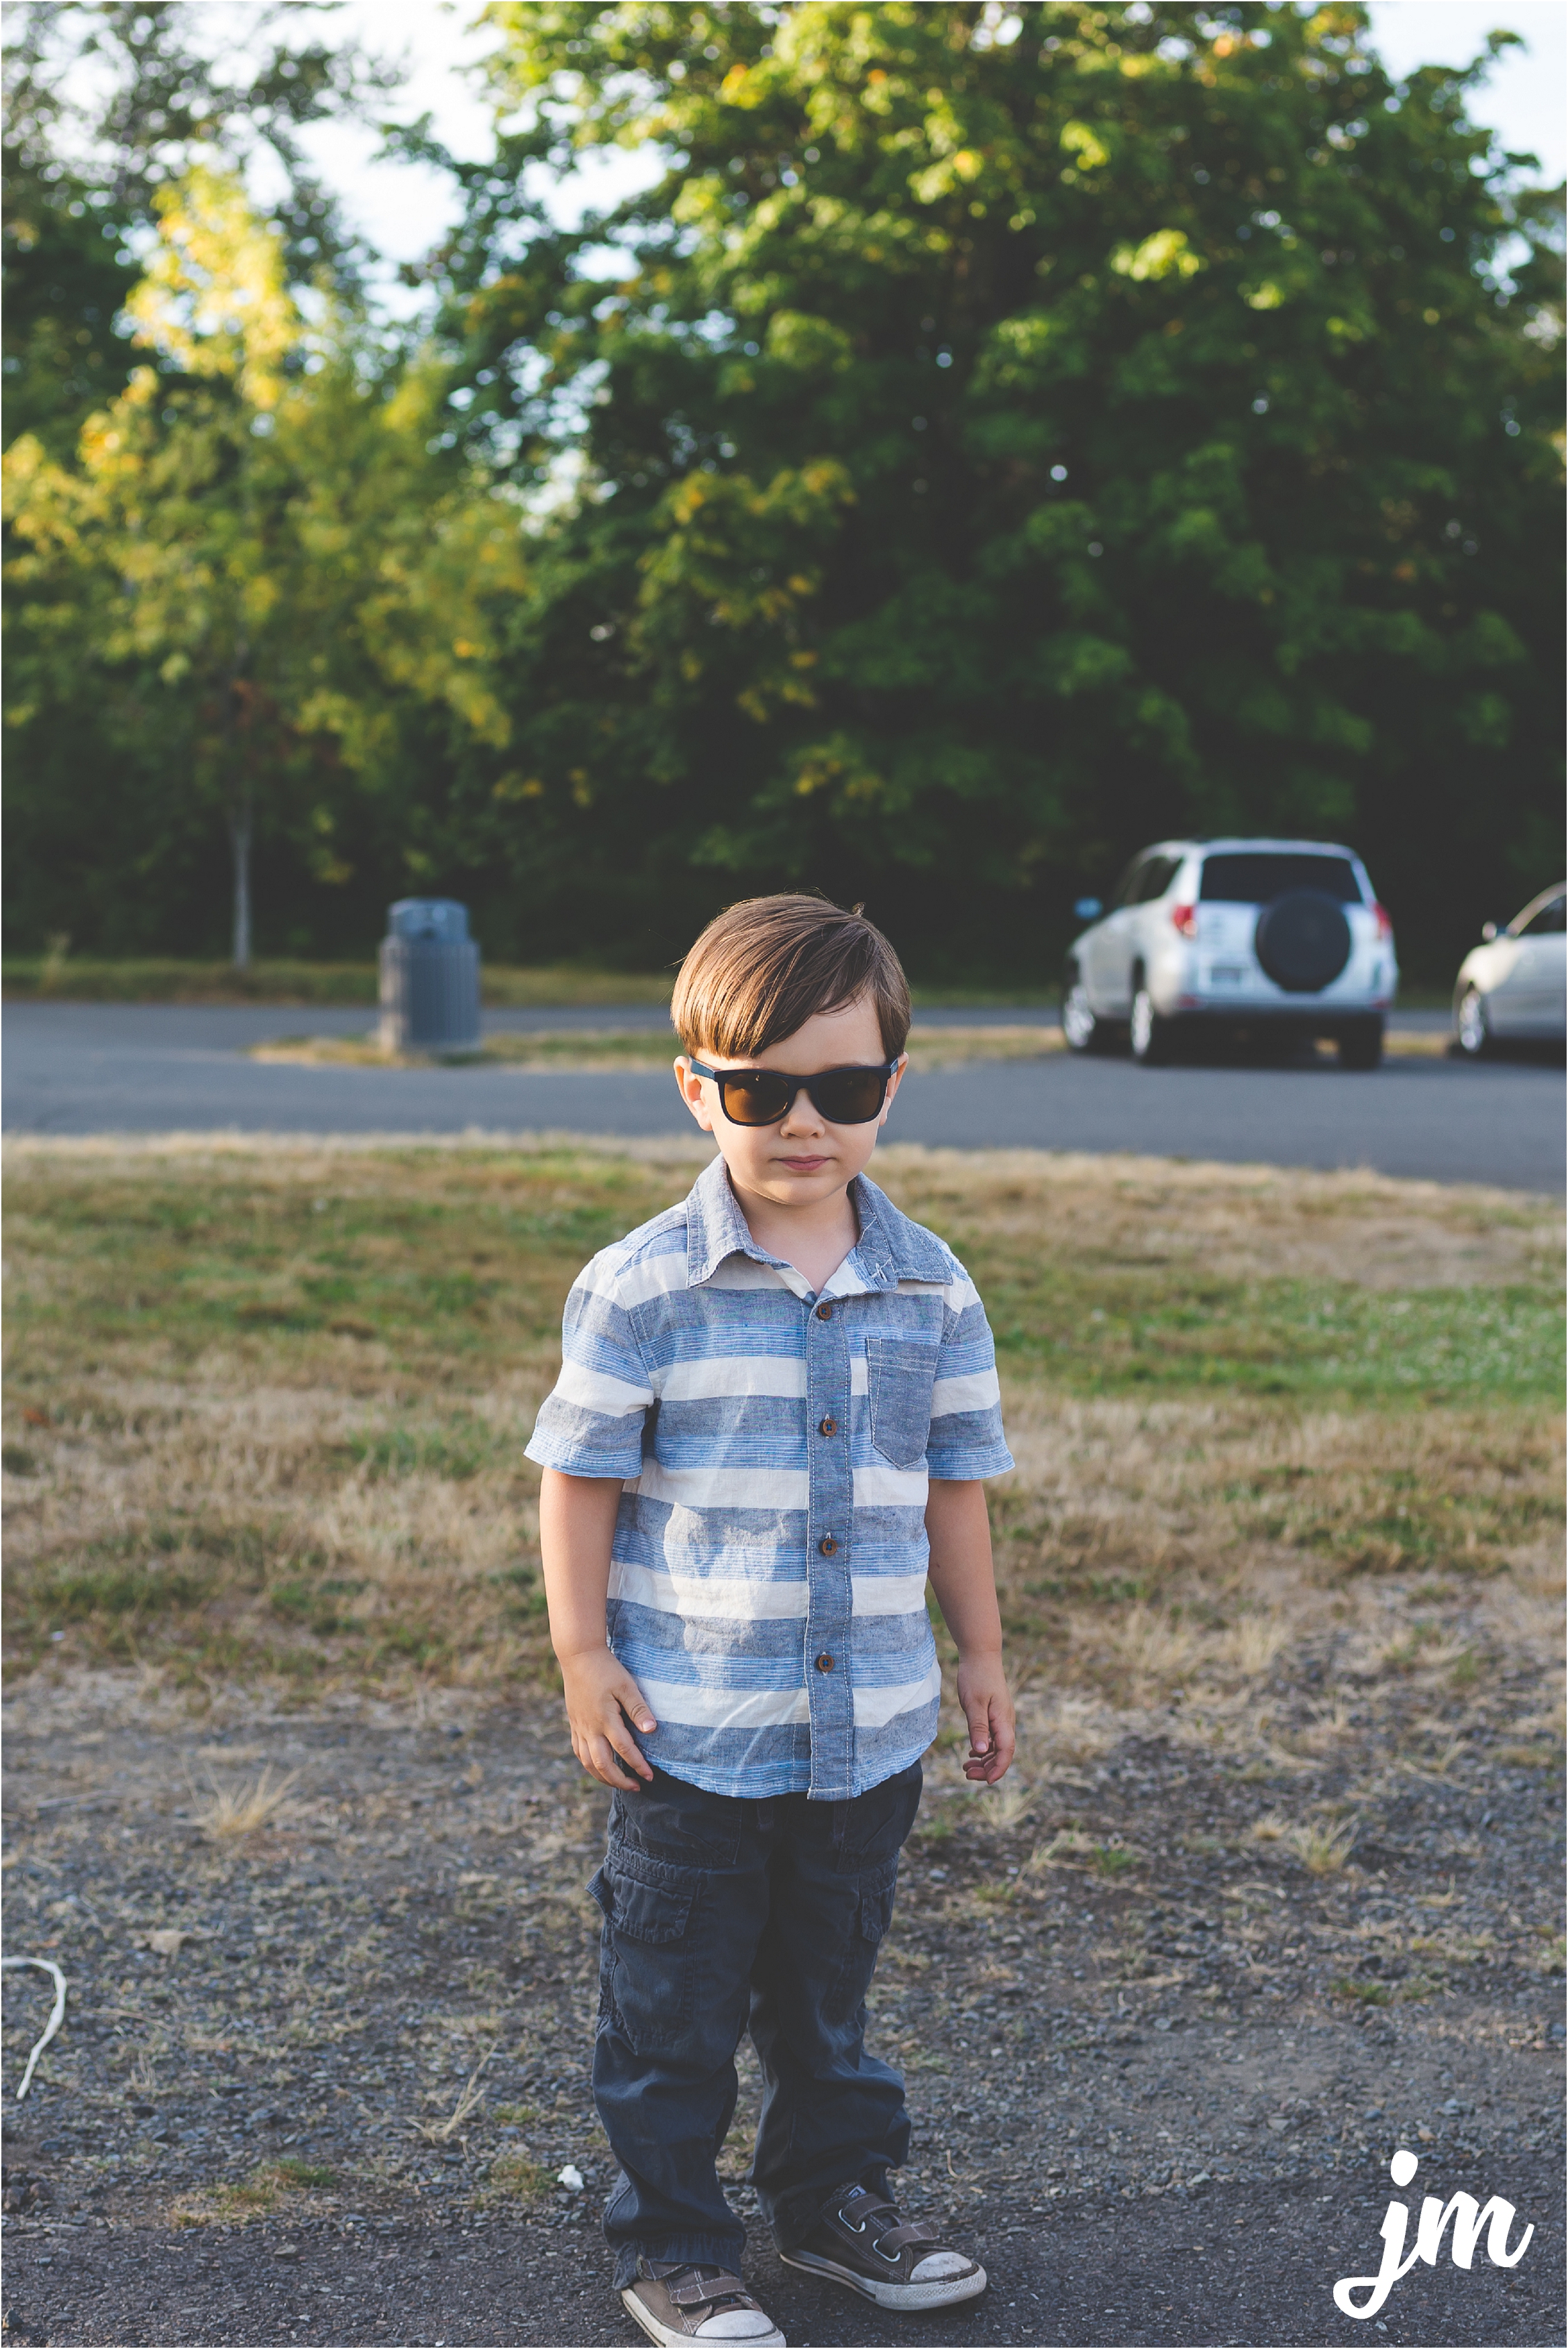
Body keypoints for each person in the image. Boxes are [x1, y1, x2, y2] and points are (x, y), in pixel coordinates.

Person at [525, 894, 1016, 2348]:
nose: (804, 1121)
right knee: (668, 2011)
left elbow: (954, 1489)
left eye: (843, 1087)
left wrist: (980, 1653)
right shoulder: (639, 1289)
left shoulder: (930, 1285)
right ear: (697, 1088)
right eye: (761, 1089)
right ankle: (675, 2243)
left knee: (825, 2003)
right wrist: (580, 1653)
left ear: (890, 1089)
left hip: (865, 1730)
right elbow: (578, 1480)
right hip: (691, 1731)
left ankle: (832, 2201)